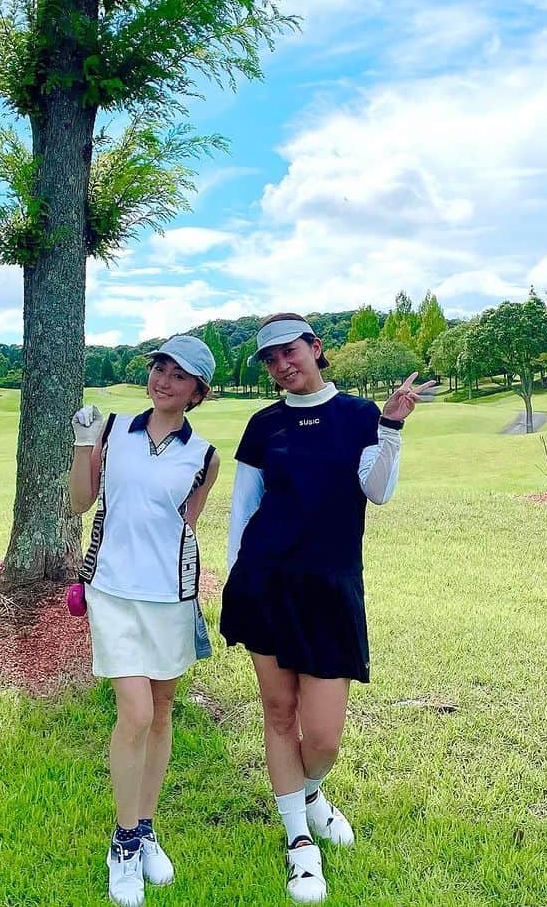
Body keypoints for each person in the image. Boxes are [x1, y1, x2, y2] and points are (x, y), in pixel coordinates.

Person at [219, 313, 436, 903]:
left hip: (330, 587)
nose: (281, 366)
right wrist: (234, 580)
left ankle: (310, 791)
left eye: (290, 352)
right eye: (270, 360)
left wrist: (391, 426)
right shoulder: (263, 425)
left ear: (316, 349)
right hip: (265, 582)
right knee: (277, 711)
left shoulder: (361, 415)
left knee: (324, 734)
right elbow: (244, 510)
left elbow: (378, 491)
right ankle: (298, 843)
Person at [69, 335, 221, 907]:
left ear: (197, 392)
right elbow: (78, 503)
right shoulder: (111, 431)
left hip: (170, 600)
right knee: (133, 711)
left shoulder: (203, 456)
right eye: (159, 367)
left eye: (179, 375)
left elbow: (187, 526)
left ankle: (147, 827)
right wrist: (84, 447)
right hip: (112, 592)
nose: (164, 380)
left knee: (160, 716)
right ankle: (124, 841)